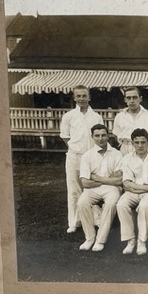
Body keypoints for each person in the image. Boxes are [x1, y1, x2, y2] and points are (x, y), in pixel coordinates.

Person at [75, 124, 123, 252]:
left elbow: (119, 180)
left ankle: (100, 240)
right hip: (93, 189)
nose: (100, 138)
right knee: (82, 202)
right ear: (92, 137)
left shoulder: (117, 154)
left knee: (111, 203)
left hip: (112, 189)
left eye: (103, 135)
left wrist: (96, 177)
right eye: (97, 135)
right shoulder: (87, 156)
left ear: (108, 136)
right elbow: (85, 183)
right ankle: (90, 237)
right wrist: (108, 180)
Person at [59, 85, 100, 233]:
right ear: (74, 98)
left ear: (89, 97)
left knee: (92, 187)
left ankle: (96, 219)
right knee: (74, 189)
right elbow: (65, 136)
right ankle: (74, 221)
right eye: (79, 96)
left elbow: (99, 136)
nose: (82, 99)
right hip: (74, 156)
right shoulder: (69, 116)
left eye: (84, 96)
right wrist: (75, 149)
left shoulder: (96, 116)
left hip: (91, 157)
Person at [116, 128, 148, 256]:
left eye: (143, 142)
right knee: (121, 204)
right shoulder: (127, 158)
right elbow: (126, 182)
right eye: (137, 143)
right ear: (132, 143)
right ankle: (130, 240)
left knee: (144, 206)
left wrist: (139, 188)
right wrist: (140, 187)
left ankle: (142, 241)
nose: (140, 146)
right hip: (134, 191)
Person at [112, 87, 148, 154]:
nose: (132, 101)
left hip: (144, 150)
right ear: (125, 99)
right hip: (125, 150)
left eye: (135, 97)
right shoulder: (119, 116)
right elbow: (116, 136)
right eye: (129, 98)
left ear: (140, 99)